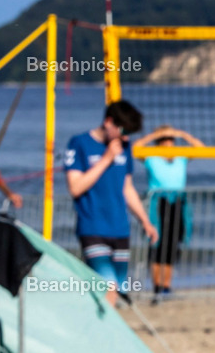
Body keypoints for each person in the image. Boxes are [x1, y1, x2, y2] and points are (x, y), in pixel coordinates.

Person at [65, 100, 158, 306]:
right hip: (93, 228)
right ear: (109, 122)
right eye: (123, 131)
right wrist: (106, 159)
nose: (125, 137)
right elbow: (75, 188)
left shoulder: (124, 147)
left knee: (118, 293)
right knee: (108, 288)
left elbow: (127, 188)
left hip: (120, 229)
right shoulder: (79, 143)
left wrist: (145, 221)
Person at [133, 124, 200, 303]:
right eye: (164, 139)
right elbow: (135, 148)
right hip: (157, 203)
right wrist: (155, 135)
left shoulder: (180, 156)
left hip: (178, 202)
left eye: (170, 139)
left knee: (172, 246)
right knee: (156, 244)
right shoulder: (151, 157)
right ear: (158, 141)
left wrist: (181, 133)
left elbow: (201, 149)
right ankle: (157, 287)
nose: (168, 142)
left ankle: (166, 287)